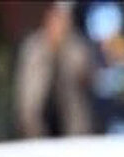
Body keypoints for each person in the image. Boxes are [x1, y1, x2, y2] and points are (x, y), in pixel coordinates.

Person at [14, 1, 95, 138]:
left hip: (72, 125)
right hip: (38, 121)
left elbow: (86, 75)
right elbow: (26, 87)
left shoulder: (76, 46)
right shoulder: (33, 47)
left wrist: (62, 50)